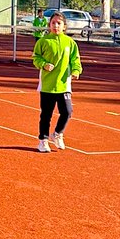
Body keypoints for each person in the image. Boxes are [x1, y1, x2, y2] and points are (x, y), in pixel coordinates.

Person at [32, 11, 82, 152]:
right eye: (53, 23)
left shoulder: (70, 43)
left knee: (67, 111)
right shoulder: (43, 41)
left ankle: (57, 134)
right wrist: (43, 64)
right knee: (46, 115)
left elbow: (75, 60)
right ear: (49, 25)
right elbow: (35, 57)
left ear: (64, 26)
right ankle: (43, 140)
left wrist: (76, 71)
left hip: (64, 84)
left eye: (59, 23)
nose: (56, 26)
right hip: (48, 85)